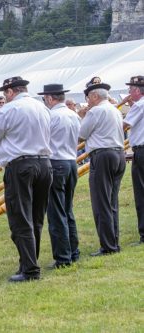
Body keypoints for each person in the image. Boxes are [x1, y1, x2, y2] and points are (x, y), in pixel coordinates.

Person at [0, 76, 52, 282]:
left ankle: (30, 269)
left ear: (10, 92)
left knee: (20, 218)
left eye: (5, 94)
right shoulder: (42, 107)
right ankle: (28, 263)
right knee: (36, 218)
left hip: (21, 165)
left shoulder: (9, 109)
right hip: (44, 163)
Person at [78, 77, 126, 256]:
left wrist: (82, 116)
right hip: (118, 153)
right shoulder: (114, 110)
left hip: (102, 155)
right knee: (112, 201)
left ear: (95, 96)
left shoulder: (95, 111)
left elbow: (81, 135)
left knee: (101, 202)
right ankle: (113, 241)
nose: (87, 102)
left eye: (89, 97)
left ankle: (108, 245)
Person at [39, 84, 81, 268]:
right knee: (67, 209)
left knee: (56, 213)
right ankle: (73, 251)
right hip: (71, 161)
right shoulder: (73, 114)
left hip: (56, 162)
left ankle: (63, 257)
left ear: (49, 98)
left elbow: (43, 140)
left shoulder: (52, 115)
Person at [122, 75, 144, 245]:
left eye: (130, 89)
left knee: (141, 192)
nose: (128, 93)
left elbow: (124, 125)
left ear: (137, 91)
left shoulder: (139, 105)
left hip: (141, 151)